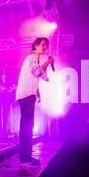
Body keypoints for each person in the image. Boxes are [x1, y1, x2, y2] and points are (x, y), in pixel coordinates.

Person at [15, 37, 54, 167]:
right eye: (43, 45)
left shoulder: (34, 59)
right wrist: (48, 62)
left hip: (27, 95)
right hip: (26, 96)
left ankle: (26, 158)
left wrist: (37, 92)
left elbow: (39, 75)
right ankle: (25, 160)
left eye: (46, 46)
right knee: (27, 127)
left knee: (27, 127)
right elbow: (38, 72)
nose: (44, 48)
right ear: (36, 45)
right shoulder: (32, 57)